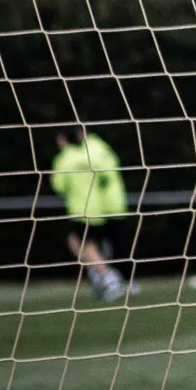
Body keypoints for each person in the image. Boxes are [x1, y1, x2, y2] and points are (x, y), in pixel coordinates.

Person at [48, 127, 129, 302]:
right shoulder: (87, 156)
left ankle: (108, 277)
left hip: (79, 209)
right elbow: (105, 176)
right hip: (97, 207)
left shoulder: (64, 159)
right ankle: (101, 277)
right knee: (88, 244)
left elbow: (59, 186)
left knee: (79, 243)